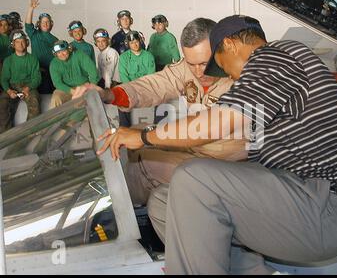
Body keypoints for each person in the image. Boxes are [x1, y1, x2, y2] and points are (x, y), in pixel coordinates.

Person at [94, 15, 337, 274]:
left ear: (230, 44)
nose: (228, 76)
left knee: (194, 179)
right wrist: (112, 96)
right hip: (297, 195)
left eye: (221, 66)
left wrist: (142, 136)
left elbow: (218, 124)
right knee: (165, 202)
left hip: (325, 208)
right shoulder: (272, 74)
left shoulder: (277, 55)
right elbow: (160, 84)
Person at [72, 18, 248, 236]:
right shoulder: (189, 68)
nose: (198, 72)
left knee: (147, 165)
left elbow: (208, 127)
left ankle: (111, 227)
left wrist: (145, 136)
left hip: (233, 167)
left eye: (204, 63)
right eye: (191, 63)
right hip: (201, 154)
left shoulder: (243, 76)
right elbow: (154, 85)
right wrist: (109, 94)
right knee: (136, 153)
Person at [0, 30, 41, 133]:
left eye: (22, 41)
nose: (20, 44)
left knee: (35, 100)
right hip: (12, 86)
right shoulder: (8, 60)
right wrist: (9, 91)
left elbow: (37, 78)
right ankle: (6, 134)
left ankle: (30, 133)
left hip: (28, 86)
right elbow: (4, 79)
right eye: (17, 42)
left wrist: (27, 88)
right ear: (13, 44)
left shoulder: (33, 59)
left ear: (26, 43)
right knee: (2, 104)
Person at [118, 30, 155, 127]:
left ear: (140, 41)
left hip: (146, 88)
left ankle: (158, 127)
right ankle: (124, 128)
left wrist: (142, 90)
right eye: (132, 43)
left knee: (161, 97)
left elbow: (150, 76)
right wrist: (132, 90)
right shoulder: (123, 58)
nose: (135, 44)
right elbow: (124, 76)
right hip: (130, 88)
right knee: (121, 101)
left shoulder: (149, 56)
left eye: (136, 41)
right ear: (128, 44)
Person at [49, 40, 99, 108]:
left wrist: (92, 86)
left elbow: (93, 71)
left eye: (64, 51)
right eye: (58, 52)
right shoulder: (54, 64)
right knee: (56, 98)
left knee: (86, 105)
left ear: (69, 49)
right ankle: (54, 118)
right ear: (55, 54)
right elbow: (57, 83)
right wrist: (73, 91)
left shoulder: (80, 55)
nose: (62, 54)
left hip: (83, 86)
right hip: (66, 88)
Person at [25, 0, 58, 94]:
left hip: (53, 72)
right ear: (39, 24)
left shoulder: (55, 39)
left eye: (47, 21)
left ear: (51, 24)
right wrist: (31, 9)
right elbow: (27, 24)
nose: (45, 23)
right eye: (43, 22)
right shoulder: (34, 34)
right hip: (39, 71)